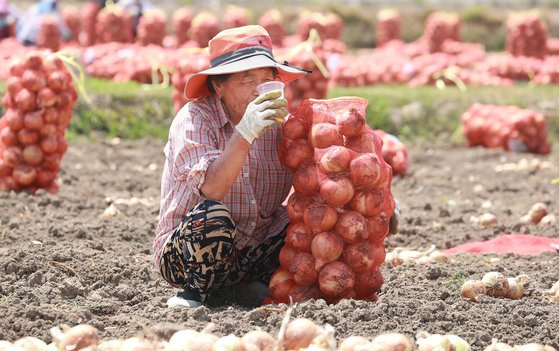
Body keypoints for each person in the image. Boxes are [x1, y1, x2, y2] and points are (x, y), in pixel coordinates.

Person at [153, 25, 400, 308]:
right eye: (247, 80)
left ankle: (242, 287)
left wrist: (374, 204)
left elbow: (322, 180)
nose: (260, 89)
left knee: (308, 218)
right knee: (213, 216)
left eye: (266, 79)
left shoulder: (281, 128)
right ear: (218, 87)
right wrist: (245, 133)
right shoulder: (194, 120)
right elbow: (211, 188)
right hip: (187, 254)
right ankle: (194, 294)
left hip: (251, 253)